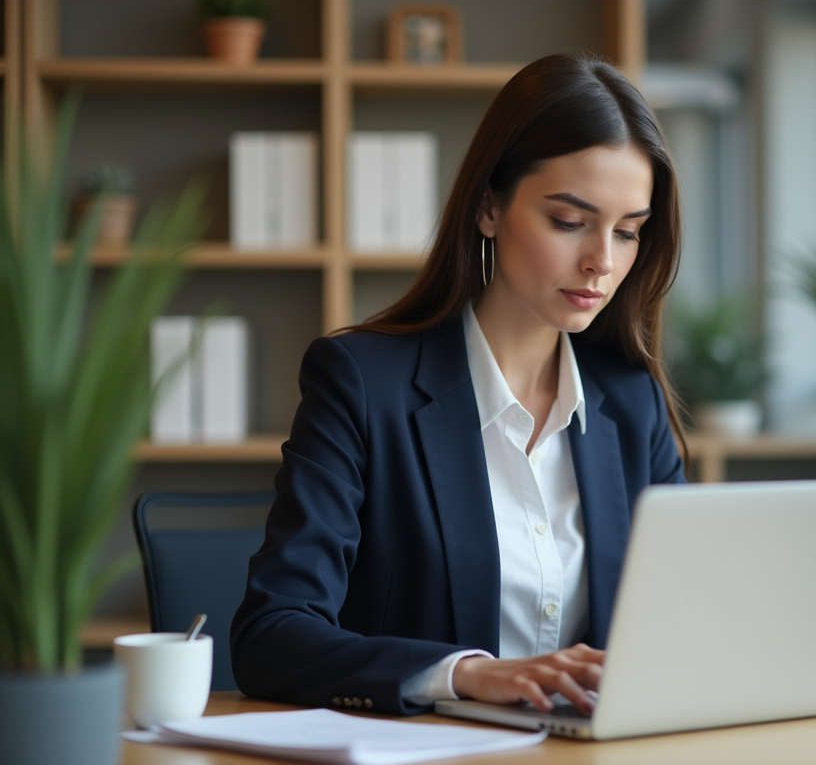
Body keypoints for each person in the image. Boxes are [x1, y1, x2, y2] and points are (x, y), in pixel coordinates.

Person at [230, 52, 689, 718]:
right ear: (487, 208)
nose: (602, 261)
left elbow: (683, 621)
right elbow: (270, 637)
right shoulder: (361, 384)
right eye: (568, 221)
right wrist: (466, 675)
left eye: (629, 232)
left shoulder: (632, 401)